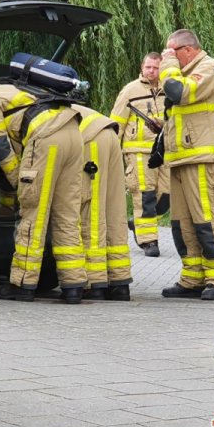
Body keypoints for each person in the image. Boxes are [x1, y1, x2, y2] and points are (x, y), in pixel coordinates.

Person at [0, 75, 87, 304]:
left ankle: (23, 284)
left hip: (45, 137)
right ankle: (73, 284)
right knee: (67, 214)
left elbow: (0, 146)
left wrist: (19, 181)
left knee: (32, 215)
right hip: (73, 131)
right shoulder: (6, 88)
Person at [158, 29, 214, 300]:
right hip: (181, 160)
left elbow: (178, 93)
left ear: (187, 50)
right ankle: (192, 278)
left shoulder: (208, 68)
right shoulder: (185, 71)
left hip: (203, 159)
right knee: (182, 224)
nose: (168, 57)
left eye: (171, 52)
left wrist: (166, 66)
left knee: (207, 222)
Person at [110, 52, 171, 258]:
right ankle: (149, 241)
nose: (152, 71)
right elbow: (116, 122)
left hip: (164, 150)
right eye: (149, 67)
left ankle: (137, 223)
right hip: (138, 152)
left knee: (167, 196)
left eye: (156, 68)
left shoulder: (169, 89)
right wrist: (111, 151)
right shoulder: (130, 91)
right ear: (142, 67)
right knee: (145, 195)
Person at [73, 104, 133, 300]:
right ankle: (119, 281)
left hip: (90, 138)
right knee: (113, 208)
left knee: (91, 209)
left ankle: (94, 281)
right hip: (109, 132)